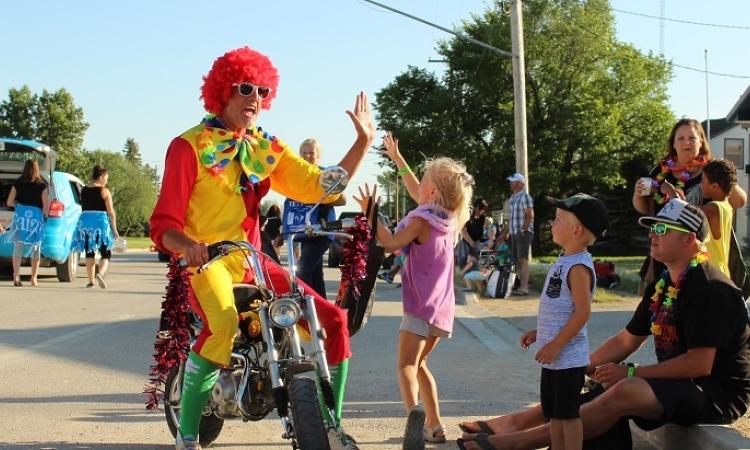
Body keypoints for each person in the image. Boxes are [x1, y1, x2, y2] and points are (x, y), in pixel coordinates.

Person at [149, 46, 374, 450]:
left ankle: (331, 425)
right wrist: (190, 246)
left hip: (254, 260)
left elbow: (320, 186)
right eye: (246, 88)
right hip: (208, 262)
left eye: (264, 91)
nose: (255, 98)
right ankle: (186, 438)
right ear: (223, 91)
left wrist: (363, 143)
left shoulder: (264, 147)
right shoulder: (188, 146)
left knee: (334, 322)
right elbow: (163, 224)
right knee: (221, 324)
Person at [458, 198, 750, 450]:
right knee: (589, 385)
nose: (652, 235)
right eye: (651, 228)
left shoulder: (711, 289)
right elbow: (626, 340)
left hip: (715, 394)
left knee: (624, 388)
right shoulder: (663, 284)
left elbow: (699, 365)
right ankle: (513, 423)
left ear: (689, 239)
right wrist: (583, 364)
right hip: (676, 384)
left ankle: (516, 442)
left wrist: (631, 371)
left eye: (662, 229)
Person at [361, 130, 474, 449]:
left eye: (423, 179)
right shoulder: (447, 218)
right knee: (421, 365)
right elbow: (418, 191)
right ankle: (436, 426)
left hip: (420, 308)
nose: (417, 185)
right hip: (442, 312)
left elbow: (389, 242)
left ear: (433, 190)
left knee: (406, 366)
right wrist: (398, 159)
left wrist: (371, 212)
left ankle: (416, 419)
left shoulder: (420, 222)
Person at [519, 194, 609, 450]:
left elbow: (582, 313)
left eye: (558, 220)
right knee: (553, 414)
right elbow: (562, 309)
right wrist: (541, 332)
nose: (551, 224)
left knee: (568, 415)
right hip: (554, 356)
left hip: (568, 359)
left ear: (576, 230)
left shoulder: (579, 267)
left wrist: (556, 344)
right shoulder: (564, 260)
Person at [632, 118, 747, 286]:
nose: (687, 142)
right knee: (660, 304)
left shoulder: (711, 171)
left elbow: (739, 202)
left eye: (692, 138)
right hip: (664, 247)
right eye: (681, 138)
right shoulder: (660, 171)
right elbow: (644, 209)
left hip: (699, 253)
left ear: (701, 141)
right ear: (674, 144)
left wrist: (724, 176)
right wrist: (638, 193)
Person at [282, 138, 347, 298]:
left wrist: (317, 196)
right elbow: (290, 203)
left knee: (302, 271)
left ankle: (306, 308)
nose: (307, 156)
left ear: (318, 155)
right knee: (316, 275)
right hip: (304, 233)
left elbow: (343, 200)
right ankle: (323, 314)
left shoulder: (325, 175)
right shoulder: (298, 177)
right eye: (304, 153)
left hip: (322, 231)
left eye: (311, 153)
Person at [72, 164, 118, 289]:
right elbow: (111, 212)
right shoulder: (104, 191)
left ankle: (91, 281)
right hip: (100, 224)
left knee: (89, 252)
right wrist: (114, 229)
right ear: (102, 176)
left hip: (85, 223)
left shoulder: (84, 190)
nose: (106, 181)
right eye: (106, 178)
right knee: (105, 251)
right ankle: (101, 274)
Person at [4, 159, 48, 287]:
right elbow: (45, 206)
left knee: (18, 247)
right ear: (37, 169)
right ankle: (34, 278)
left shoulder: (18, 183)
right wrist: (45, 217)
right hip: (35, 219)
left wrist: (19, 205)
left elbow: (9, 202)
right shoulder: (42, 185)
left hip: (21, 218)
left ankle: (16, 276)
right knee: (36, 248)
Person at [700, 159, 737, 277]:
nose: (701, 185)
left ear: (715, 186)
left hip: (711, 273)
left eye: (703, 181)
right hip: (720, 271)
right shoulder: (726, 206)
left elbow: (686, 213)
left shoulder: (712, 209)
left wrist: (673, 196)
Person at [500, 173, 533, 296]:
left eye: (513, 181)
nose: (510, 183)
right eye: (510, 181)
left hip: (523, 233)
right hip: (514, 233)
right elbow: (512, 219)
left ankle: (524, 288)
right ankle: (520, 286)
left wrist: (523, 229)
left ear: (520, 183)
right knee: (517, 261)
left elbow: (530, 215)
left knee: (522, 259)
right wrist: (504, 233)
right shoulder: (513, 198)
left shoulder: (525, 197)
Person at [459, 198, 488, 268]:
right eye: (481, 209)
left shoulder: (482, 218)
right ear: (477, 207)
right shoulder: (467, 214)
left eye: (484, 210)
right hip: (465, 243)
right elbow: (463, 230)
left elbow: (480, 231)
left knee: (476, 265)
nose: (482, 212)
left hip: (476, 244)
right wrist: (471, 242)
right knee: (465, 265)